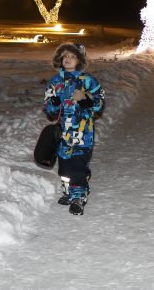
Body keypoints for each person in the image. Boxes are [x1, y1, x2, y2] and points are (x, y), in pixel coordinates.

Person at [43, 42, 105, 216]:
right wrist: (53, 104)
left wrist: (86, 100)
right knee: (64, 166)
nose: (68, 59)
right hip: (64, 133)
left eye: (72, 56)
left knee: (78, 164)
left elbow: (99, 102)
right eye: (65, 56)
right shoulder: (55, 82)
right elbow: (49, 109)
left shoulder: (88, 80)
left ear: (79, 60)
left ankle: (79, 196)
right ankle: (69, 192)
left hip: (83, 133)